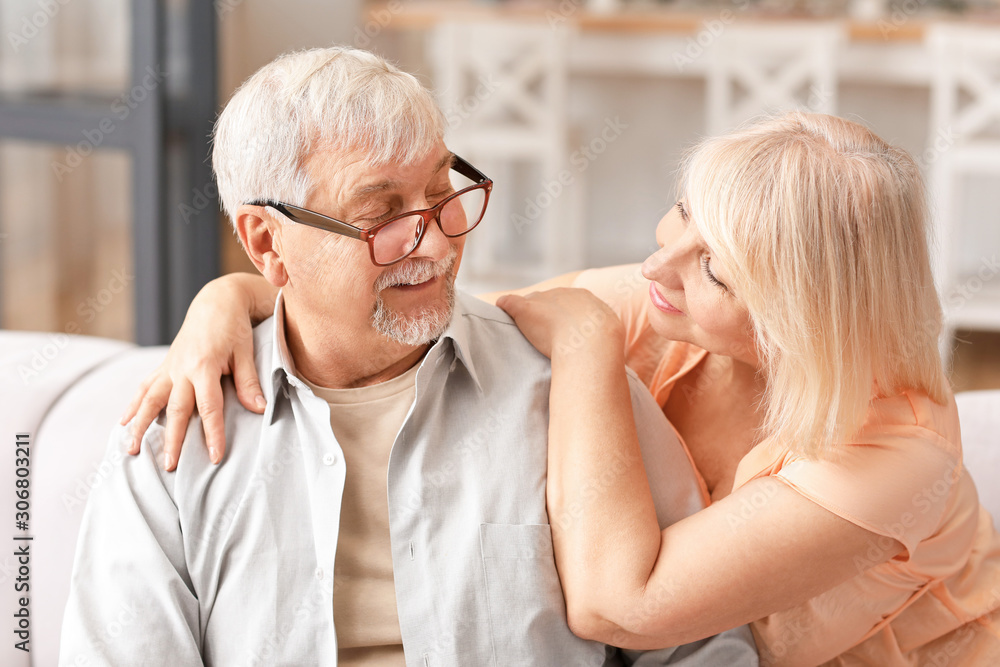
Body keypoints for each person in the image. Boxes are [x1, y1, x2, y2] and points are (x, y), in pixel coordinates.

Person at [126, 110, 1000, 666]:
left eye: (718, 272)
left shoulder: (897, 454)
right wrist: (233, 295)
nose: (659, 261)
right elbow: (410, 319)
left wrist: (584, 339)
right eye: (684, 212)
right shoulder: (673, 305)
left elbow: (622, 602)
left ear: (804, 317)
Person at [60, 47, 757, 666]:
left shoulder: (569, 390)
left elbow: (705, 649)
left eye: (440, 192)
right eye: (384, 215)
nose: (435, 243)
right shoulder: (176, 439)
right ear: (267, 244)